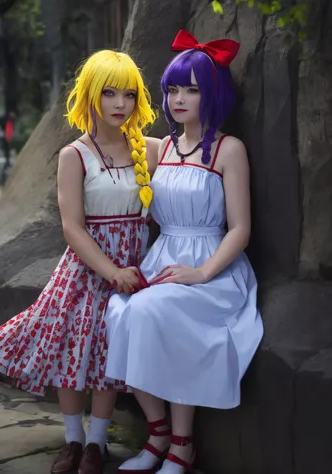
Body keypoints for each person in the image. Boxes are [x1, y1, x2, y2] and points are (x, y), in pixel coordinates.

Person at [0, 49, 160, 474]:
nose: (120, 104)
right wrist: (109, 271)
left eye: (129, 94)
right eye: (109, 93)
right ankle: (73, 440)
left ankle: (96, 443)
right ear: (90, 97)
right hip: (86, 267)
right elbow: (72, 227)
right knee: (70, 350)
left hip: (134, 266)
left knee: (106, 354)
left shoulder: (150, 150)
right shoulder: (74, 155)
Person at [104, 30, 264, 474]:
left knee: (155, 312)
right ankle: (158, 433)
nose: (179, 99)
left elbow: (241, 230)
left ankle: (182, 445)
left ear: (211, 94)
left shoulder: (229, 150)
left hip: (213, 266)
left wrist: (200, 273)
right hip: (163, 257)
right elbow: (107, 146)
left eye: (192, 89)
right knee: (119, 311)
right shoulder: (162, 147)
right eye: (173, 89)